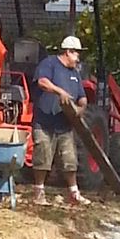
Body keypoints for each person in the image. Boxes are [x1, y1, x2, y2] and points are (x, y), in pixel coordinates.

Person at [30, 33, 91, 208]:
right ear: (68, 52)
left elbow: (82, 97)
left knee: (69, 160)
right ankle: (39, 192)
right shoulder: (49, 64)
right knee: (42, 157)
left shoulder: (75, 74)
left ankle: (74, 193)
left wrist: (81, 108)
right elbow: (42, 82)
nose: (78, 57)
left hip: (64, 125)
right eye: (76, 53)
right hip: (45, 122)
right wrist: (59, 92)